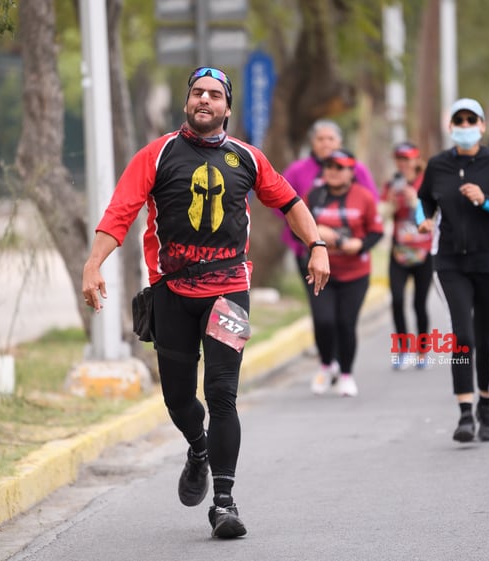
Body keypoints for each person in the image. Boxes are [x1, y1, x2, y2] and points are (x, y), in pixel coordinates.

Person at [80, 67, 330, 539]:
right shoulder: (157, 155)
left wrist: (317, 245)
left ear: (227, 108)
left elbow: (290, 201)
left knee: (221, 393)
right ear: (187, 102)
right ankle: (197, 447)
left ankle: (224, 502)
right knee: (178, 399)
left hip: (229, 291)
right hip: (171, 294)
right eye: (198, 93)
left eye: (215, 95)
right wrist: (94, 263)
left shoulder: (248, 159)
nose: (205, 101)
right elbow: (120, 211)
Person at [417, 98, 489, 443]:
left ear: (481, 126)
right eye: (458, 121)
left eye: (471, 120)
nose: (464, 126)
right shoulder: (437, 165)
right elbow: (424, 202)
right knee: (462, 335)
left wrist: (484, 201)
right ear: (450, 127)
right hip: (450, 261)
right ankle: (465, 412)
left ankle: (486, 405)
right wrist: (424, 221)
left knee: (484, 335)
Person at [279, 119, 378, 379]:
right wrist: (309, 233)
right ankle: (329, 359)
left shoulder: (358, 172)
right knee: (323, 314)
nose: (325, 144)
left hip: (349, 258)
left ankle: (340, 364)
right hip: (307, 252)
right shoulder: (299, 171)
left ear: (340, 143)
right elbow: (282, 204)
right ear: (312, 143)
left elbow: (370, 207)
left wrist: (353, 241)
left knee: (344, 318)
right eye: (320, 139)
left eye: (330, 139)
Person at [306, 149, 384, 397]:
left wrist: (352, 244)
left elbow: (376, 231)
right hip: (321, 272)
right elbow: (301, 225)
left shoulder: (364, 197)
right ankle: (327, 365)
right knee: (323, 321)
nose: (333, 172)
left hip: (355, 273)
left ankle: (347, 374)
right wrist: (319, 234)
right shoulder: (314, 196)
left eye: (339, 167)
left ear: (351, 171)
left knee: (345, 323)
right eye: (329, 166)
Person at [380, 142, 432, 370]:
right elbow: (382, 216)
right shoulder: (392, 184)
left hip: (424, 251)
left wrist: (414, 200)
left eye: (408, 159)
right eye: (400, 159)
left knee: (419, 303)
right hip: (399, 251)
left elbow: (431, 217)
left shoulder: (428, 183)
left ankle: (422, 350)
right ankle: (403, 349)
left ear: (417, 160)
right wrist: (390, 203)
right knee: (397, 300)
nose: (404, 164)